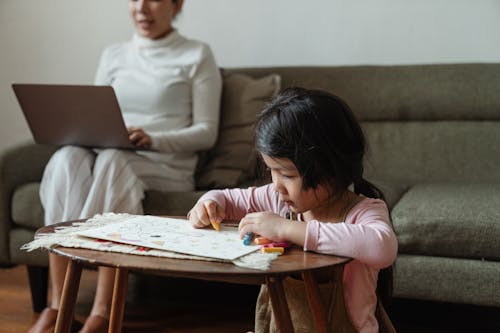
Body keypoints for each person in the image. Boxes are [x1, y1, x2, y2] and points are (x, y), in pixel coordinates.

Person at [28, 0, 222, 332]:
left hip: (166, 163)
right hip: (111, 151)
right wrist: (86, 132)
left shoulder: (197, 54)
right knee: (66, 158)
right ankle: (57, 307)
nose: (141, 8)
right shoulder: (113, 55)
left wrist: (153, 138)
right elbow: (93, 111)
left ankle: (101, 313)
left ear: (177, 5)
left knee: (113, 161)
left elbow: (207, 132)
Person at [188, 87, 398, 333]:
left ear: (330, 170)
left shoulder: (362, 212)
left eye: (287, 174)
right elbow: (226, 198)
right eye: (271, 171)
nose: (276, 185)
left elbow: (382, 247)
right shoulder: (278, 199)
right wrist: (208, 204)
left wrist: (286, 228)